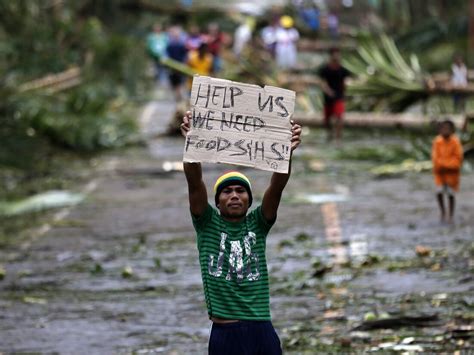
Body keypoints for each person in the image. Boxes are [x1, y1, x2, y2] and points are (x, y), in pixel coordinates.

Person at [180, 111, 302, 354]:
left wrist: (285, 153)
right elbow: (194, 182)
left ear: (249, 200)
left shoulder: (258, 223)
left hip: (261, 330)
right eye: (227, 192)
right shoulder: (207, 224)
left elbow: (277, 186)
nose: (234, 195)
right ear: (216, 202)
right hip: (225, 335)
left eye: (240, 191)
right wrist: (192, 144)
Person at [432, 119, 463, 224]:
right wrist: (443, 165)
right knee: (439, 192)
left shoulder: (455, 141)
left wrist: (445, 165)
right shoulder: (437, 141)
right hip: (440, 174)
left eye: (447, 128)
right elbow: (435, 158)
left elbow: (458, 159)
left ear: (452, 130)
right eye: (443, 128)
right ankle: (443, 211)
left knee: (450, 194)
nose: (445, 130)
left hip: (451, 175)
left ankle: (451, 214)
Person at [317, 47, 351, 142]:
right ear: (331, 56)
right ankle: (329, 135)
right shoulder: (325, 69)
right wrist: (328, 91)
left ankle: (338, 137)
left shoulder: (343, 70)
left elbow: (346, 81)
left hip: (339, 96)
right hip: (328, 97)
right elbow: (322, 83)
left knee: (339, 116)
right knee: (327, 119)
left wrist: (346, 90)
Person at [166, 25, 188, 101]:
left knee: (181, 81)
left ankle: (180, 95)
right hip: (172, 66)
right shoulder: (170, 44)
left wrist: (184, 63)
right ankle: (177, 95)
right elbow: (167, 55)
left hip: (180, 66)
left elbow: (185, 54)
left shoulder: (182, 44)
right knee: (174, 82)